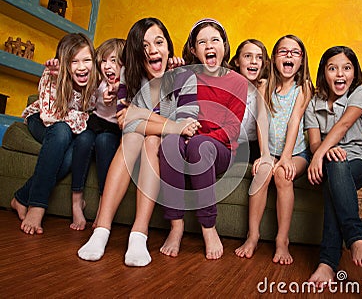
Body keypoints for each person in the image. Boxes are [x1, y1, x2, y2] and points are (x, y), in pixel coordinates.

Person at [77, 17, 199, 267]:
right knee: (132, 136)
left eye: (159, 42)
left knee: (152, 139)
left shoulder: (184, 77)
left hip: (162, 146)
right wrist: (170, 124)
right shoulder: (129, 75)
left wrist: (145, 116)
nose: (153, 50)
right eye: (145, 46)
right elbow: (124, 120)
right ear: (135, 52)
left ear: (168, 47)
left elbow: (186, 129)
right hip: (134, 141)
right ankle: (101, 230)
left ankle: (138, 234)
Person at [158, 18, 248, 260]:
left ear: (225, 46)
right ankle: (176, 227)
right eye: (202, 42)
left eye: (215, 40)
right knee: (168, 143)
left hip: (220, 149)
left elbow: (232, 129)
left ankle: (208, 228)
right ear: (194, 50)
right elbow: (166, 106)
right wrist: (170, 69)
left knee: (200, 144)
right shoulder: (184, 76)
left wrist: (196, 138)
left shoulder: (238, 82)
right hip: (185, 139)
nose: (209, 45)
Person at [235, 35, 314, 265]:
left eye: (295, 52)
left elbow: (294, 121)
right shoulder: (263, 85)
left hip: (296, 153)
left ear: (301, 60)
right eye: (283, 52)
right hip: (269, 151)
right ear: (273, 59)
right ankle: (253, 236)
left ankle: (282, 240)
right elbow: (261, 119)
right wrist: (266, 155)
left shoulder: (303, 88)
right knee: (263, 172)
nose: (289, 56)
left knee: (282, 174)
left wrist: (287, 157)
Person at [305, 46, 362, 287]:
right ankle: (353, 242)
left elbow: (344, 125)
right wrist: (321, 154)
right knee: (335, 165)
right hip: (329, 162)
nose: (340, 74)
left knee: (339, 165)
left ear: (354, 72)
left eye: (347, 68)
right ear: (323, 72)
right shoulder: (314, 102)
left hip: (355, 161)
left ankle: (331, 258)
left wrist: (320, 156)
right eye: (332, 68)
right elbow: (314, 142)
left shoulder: (361, 92)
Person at [10, 33, 97, 235]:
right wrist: (58, 79)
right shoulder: (52, 75)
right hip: (41, 119)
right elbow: (50, 118)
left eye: (87, 60)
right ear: (64, 63)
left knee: (68, 158)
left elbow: (91, 116)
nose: (82, 67)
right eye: (74, 62)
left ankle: (20, 197)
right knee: (61, 131)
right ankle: (37, 206)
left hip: (69, 127)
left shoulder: (94, 85)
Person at [69, 38, 126, 231]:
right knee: (84, 140)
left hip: (112, 129)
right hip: (94, 122)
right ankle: (77, 201)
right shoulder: (97, 82)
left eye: (114, 61)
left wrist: (119, 94)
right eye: (103, 61)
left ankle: (104, 204)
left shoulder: (128, 84)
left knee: (103, 142)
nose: (108, 66)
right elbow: (81, 98)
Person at [229, 39, 270, 163]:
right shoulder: (227, 84)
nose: (253, 61)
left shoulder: (266, 88)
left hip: (254, 146)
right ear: (237, 61)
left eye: (259, 57)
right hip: (230, 144)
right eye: (247, 56)